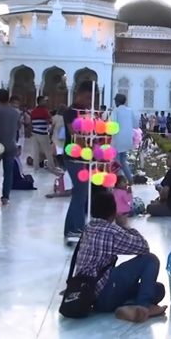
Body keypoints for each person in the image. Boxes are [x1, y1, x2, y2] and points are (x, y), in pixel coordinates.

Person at [74, 190, 167, 322]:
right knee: (151, 259)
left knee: (158, 289)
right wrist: (125, 225)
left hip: (89, 296)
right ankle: (144, 307)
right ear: (113, 212)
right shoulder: (110, 231)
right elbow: (143, 247)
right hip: (104, 291)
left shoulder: (88, 228)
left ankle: (128, 306)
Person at [64, 80, 95, 242]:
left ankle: (70, 229)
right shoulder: (71, 112)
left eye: (91, 99)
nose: (89, 102)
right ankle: (77, 229)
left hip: (84, 156)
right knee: (80, 193)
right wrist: (89, 150)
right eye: (87, 97)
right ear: (79, 94)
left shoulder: (86, 111)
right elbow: (75, 134)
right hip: (74, 156)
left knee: (79, 193)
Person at [0, 88, 21, 205]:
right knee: (8, 172)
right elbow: (18, 127)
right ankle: (5, 197)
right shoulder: (15, 112)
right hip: (11, 145)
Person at [111, 93, 137, 182]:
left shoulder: (116, 111)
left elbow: (113, 126)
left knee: (117, 163)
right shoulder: (130, 110)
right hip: (128, 140)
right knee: (123, 161)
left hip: (118, 140)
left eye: (115, 101)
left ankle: (119, 182)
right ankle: (130, 180)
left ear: (117, 101)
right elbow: (136, 124)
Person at [30, 95, 54, 170]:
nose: (46, 102)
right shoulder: (44, 110)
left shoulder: (33, 111)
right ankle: (51, 166)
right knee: (48, 151)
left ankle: (36, 167)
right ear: (40, 101)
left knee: (36, 151)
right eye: (44, 100)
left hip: (34, 133)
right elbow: (50, 120)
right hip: (42, 133)